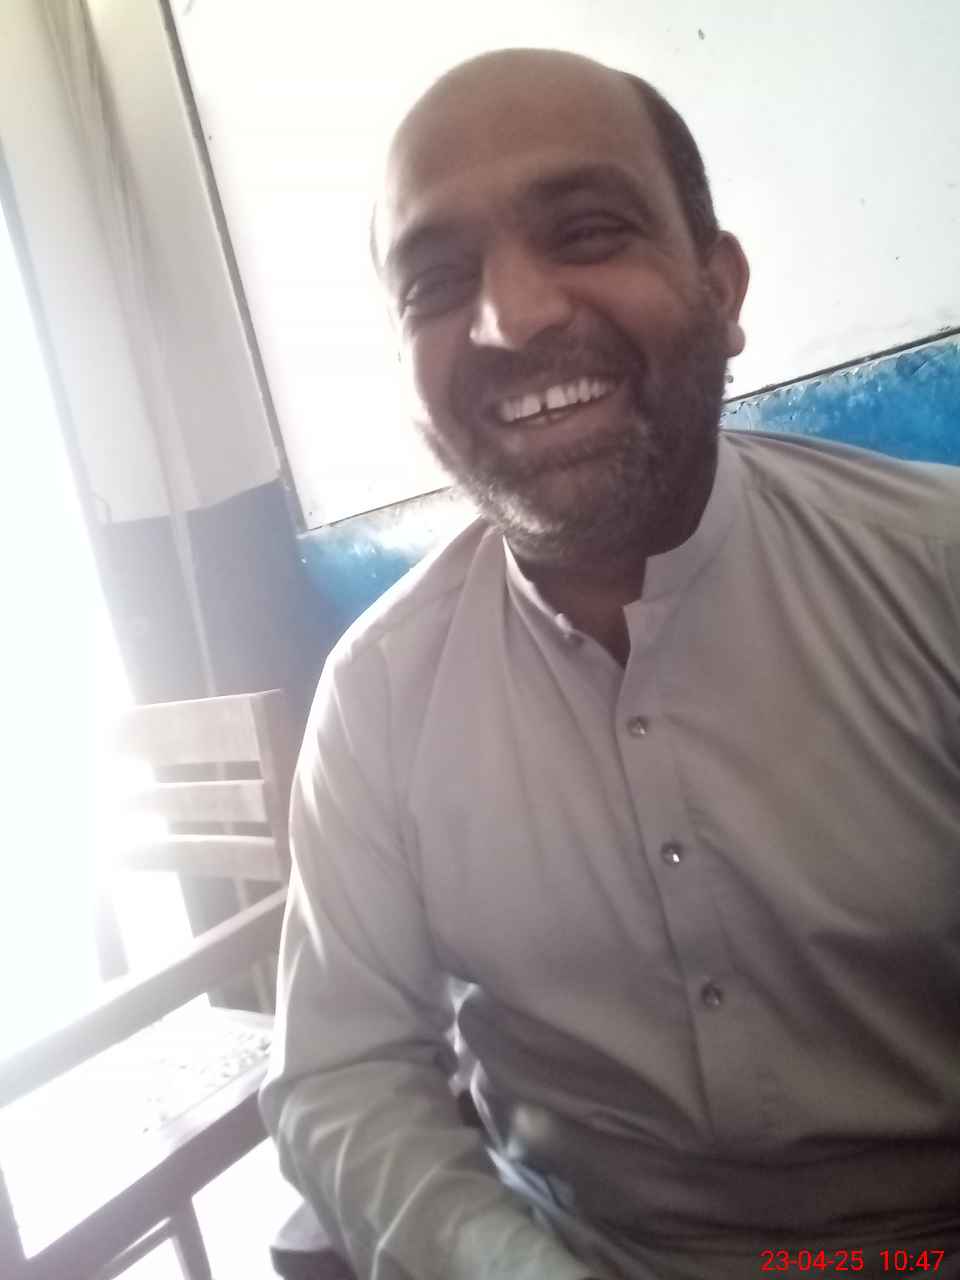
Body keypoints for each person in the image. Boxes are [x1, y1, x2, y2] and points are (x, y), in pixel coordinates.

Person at [260, 47, 960, 1280]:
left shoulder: (936, 572)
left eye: (586, 231)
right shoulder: (377, 698)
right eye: (436, 282)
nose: (509, 317)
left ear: (720, 287)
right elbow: (343, 1072)